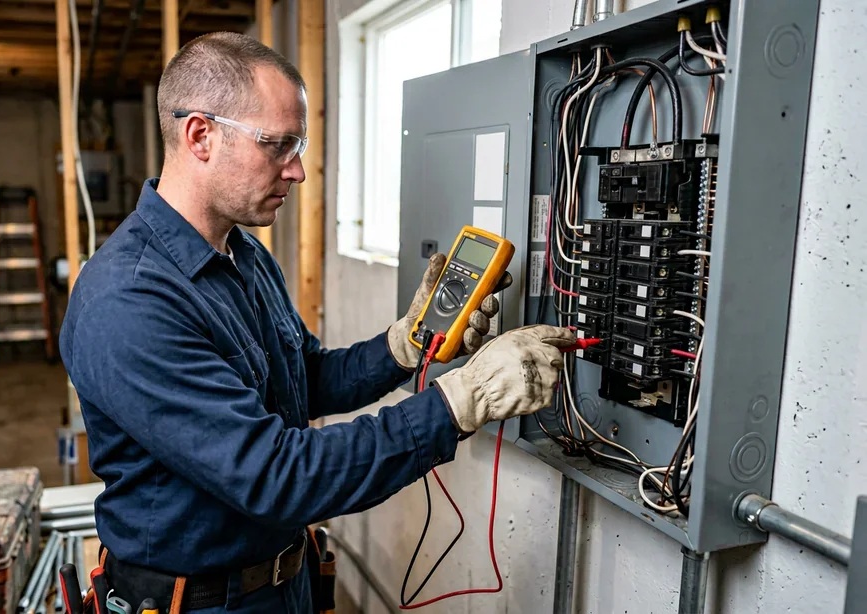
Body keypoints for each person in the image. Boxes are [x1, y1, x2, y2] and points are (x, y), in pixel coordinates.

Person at [59, 31, 574, 614]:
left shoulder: (243, 253)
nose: (298, 171)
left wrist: (402, 345)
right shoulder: (130, 301)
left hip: (286, 582)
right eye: (277, 145)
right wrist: (460, 402)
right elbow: (279, 474)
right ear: (199, 135)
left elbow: (304, 379)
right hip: (197, 603)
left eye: (297, 145)